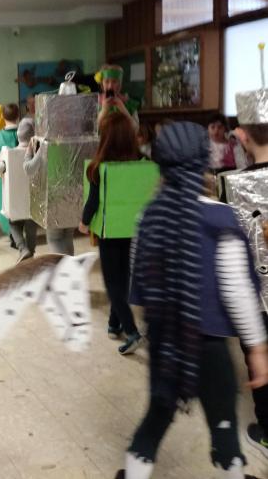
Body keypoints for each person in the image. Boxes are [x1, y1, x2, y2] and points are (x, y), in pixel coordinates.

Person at [117, 121, 268, 479]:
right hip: (211, 349)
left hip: (166, 343)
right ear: (205, 164)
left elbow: (139, 282)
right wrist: (257, 349)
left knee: (156, 418)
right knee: (223, 421)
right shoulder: (223, 219)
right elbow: (238, 292)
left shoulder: (148, 217)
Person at [79, 112, 143, 355]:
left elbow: (93, 201)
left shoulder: (99, 168)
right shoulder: (142, 164)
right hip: (134, 229)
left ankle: (131, 330)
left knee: (112, 282)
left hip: (110, 233)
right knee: (123, 277)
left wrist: (84, 223)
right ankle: (114, 323)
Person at [228, 90, 268, 458]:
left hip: (257, 300)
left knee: (261, 358)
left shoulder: (237, 188)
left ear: (242, 136)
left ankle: (267, 429)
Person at [0, 118, 37, 263]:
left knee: (13, 223)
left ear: (18, 136)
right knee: (31, 225)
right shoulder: (36, 155)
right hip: (33, 201)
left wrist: (0, 167)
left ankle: (22, 248)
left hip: (14, 200)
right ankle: (31, 251)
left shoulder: (7, 153)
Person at [0, 103, 20, 236]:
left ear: (2, 117)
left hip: (4, 180)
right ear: (18, 116)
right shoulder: (25, 135)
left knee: (6, 206)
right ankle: (20, 234)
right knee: (22, 205)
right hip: (24, 178)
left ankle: (12, 235)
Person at [95, 64, 139, 129]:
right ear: (102, 84)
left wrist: (123, 108)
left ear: (120, 84)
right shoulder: (96, 102)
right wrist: (104, 111)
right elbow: (91, 130)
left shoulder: (128, 103)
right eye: (107, 82)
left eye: (114, 81)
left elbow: (136, 129)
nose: (110, 86)